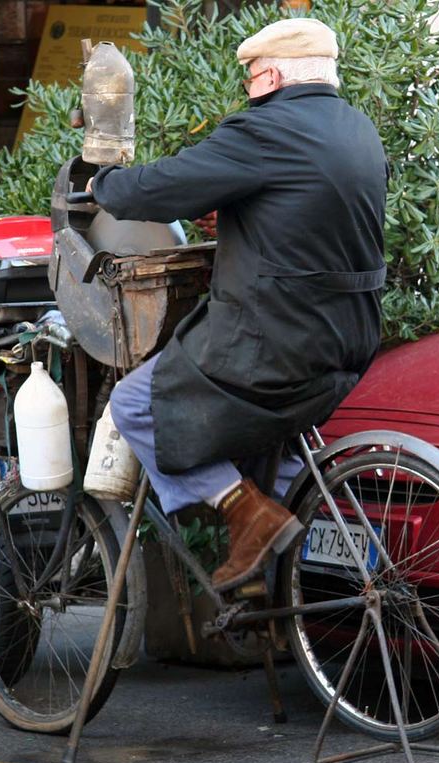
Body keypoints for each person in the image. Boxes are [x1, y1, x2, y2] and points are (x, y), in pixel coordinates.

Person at [87, 17, 388, 592]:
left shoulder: (267, 131)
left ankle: (244, 513)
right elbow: (313, 213)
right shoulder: (357, 130)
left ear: (270, 75)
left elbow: (163, 187)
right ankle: (271, 579)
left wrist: (105, 186)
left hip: (275, 341)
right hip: (350, 337)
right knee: (274, 448)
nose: (248, 89)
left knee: (134, 405)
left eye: (250, 77)